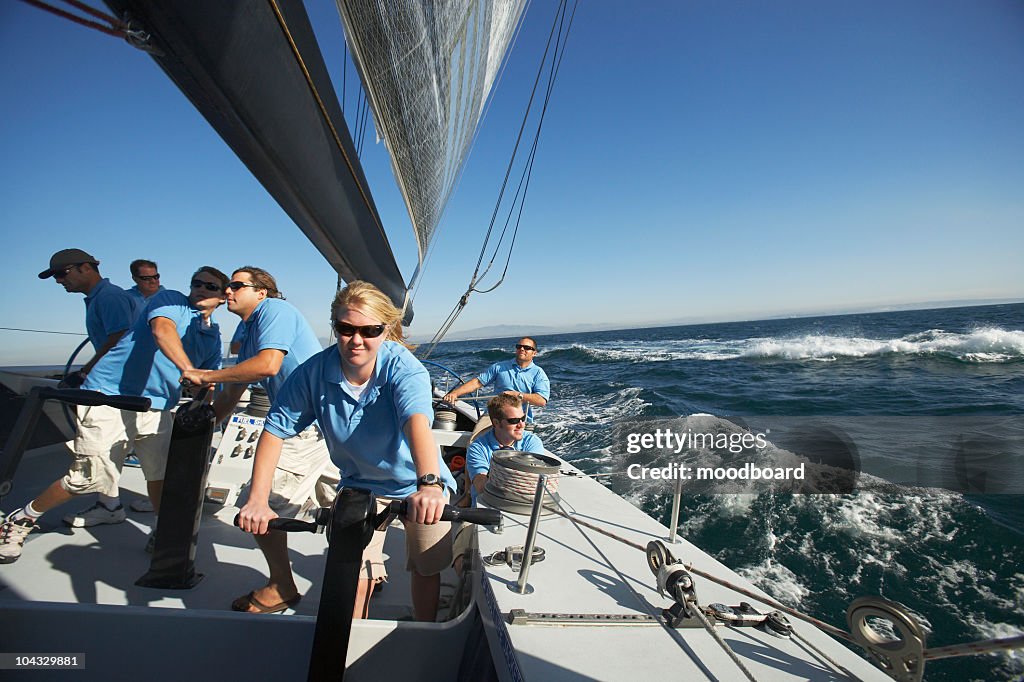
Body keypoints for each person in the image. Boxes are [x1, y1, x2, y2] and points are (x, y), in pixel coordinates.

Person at [236, 280, 456, 622]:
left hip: (419, 483)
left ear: (388, 330)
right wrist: (258, 500)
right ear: (334, 327)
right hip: (360, 487)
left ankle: (424, 632)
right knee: (354, 574)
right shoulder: (312, 373)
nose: (357, 340)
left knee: (426, 568)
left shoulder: (404, 368)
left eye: (370, 330)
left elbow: (416, 422)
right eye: (346, 328)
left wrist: (429, 485)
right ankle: (349, 646)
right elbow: (275, 430)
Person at [0, 267, 227, 563]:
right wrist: (188, 369)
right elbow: (162, 331)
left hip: (155, 406)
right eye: (196, 283)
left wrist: (200, 413)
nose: (200, 289)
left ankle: (162, 528)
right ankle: (20, 520)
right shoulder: (171, 301)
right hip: (109, 397)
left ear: (223, 296)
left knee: (160, 473)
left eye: (210, 286)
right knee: (87, 478)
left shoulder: (211, 334)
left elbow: (207, 382)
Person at [180, 267, 338, 615]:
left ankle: (282, 586)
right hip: (317, 424)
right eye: (226, 286)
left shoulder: (275, 312)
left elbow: (267, 366)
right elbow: (233, 391)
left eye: (237, 285)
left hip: (307, 426)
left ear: (262, 291)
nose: (228, 291)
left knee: (259, 507)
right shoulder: (249, 330)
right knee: (342, 501)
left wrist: (206, 374)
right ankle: (362, 568)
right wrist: (204, 428)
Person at [37, 248, 140, 384]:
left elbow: (119, 340)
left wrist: (84, 373)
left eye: (61, 273)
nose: (59, 281)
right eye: (56, 276)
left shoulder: (109, 297)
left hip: (125, 383)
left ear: (85, 268)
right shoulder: (101, 298)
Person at [442, 336, 550, 422]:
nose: (522, 349)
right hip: (494, 415)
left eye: (527, 348)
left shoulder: (538, 373)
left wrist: (517, 395)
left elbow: (541, 400)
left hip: (520, 418)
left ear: (534, 353)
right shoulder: (499, 367)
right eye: (519, 346)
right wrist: (455, 394)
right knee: (476, 440)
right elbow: (477, 382)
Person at [465, 394, 544, 505]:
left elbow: (534, 480)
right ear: (496, 423)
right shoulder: (478, 448)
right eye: (514, 421)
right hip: (487, 506)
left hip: (521, 505)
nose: (521, 425)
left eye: (523, 418)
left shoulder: (532, 442)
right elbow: (481, 487)